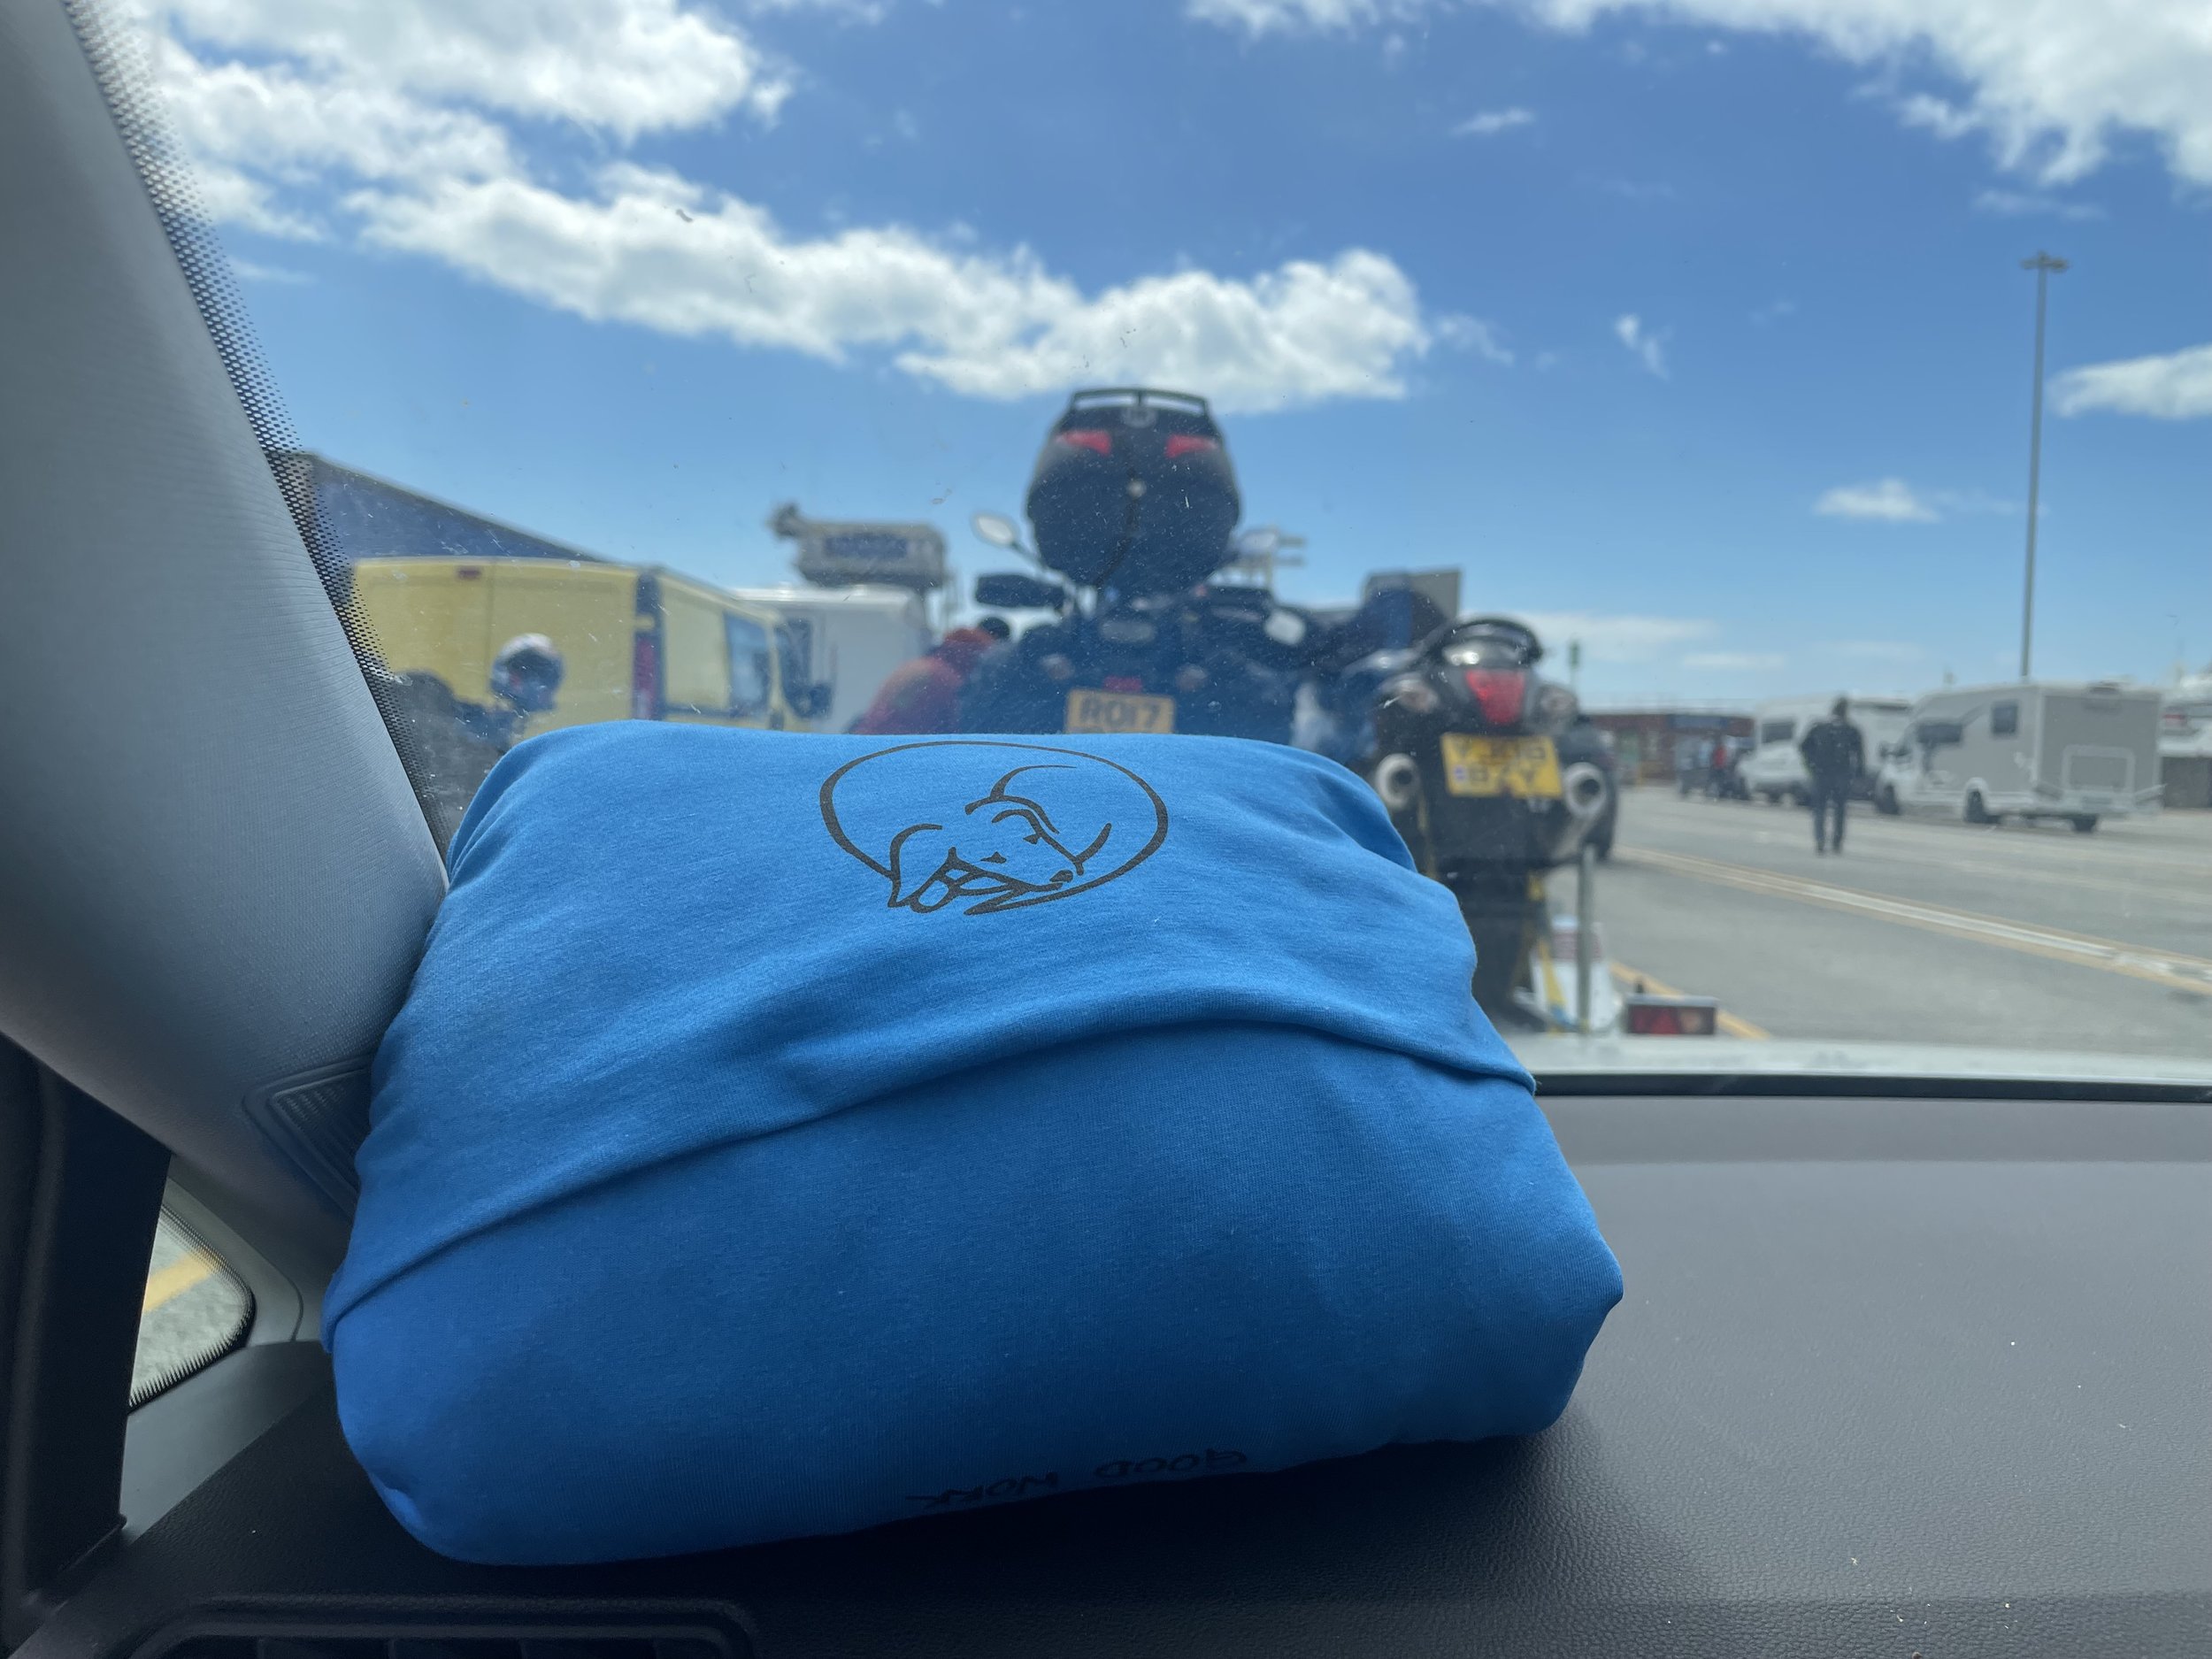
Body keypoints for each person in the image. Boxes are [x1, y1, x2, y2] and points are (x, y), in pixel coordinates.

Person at [849, 617, 1010, 735]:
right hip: (897, 751)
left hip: (873, 743)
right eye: (981, 656)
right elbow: (956, 729)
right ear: (970, 655)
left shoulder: (923, 665)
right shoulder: (947, 679)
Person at [1799, 695, 1864, 854]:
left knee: (1820, 808)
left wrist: (1812, 763)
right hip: (1841, 775)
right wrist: (1858, 774)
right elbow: (1860, 754)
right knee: (1839, 810)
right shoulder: (1851, 730)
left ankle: (1820, 840)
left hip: (1821, 774)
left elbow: (1803, 746)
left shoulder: (1819, 727)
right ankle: (1836, 843)